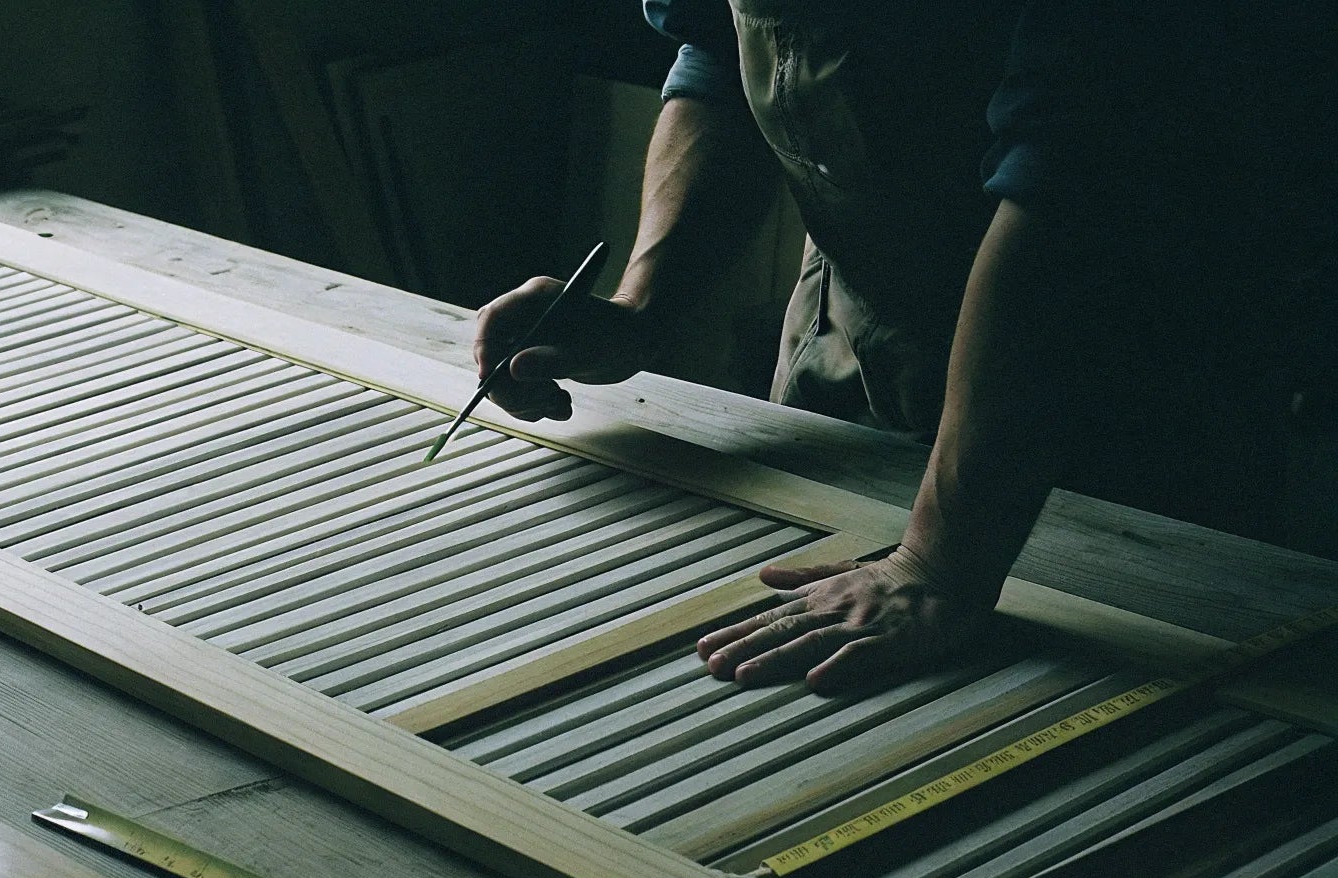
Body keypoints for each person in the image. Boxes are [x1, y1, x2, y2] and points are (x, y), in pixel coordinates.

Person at [474, 1, 1332, 693]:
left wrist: (939, 560)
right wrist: (640, 307)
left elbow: (1075, 186)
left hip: (1116, 374)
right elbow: (721, 55)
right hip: (859, 329)